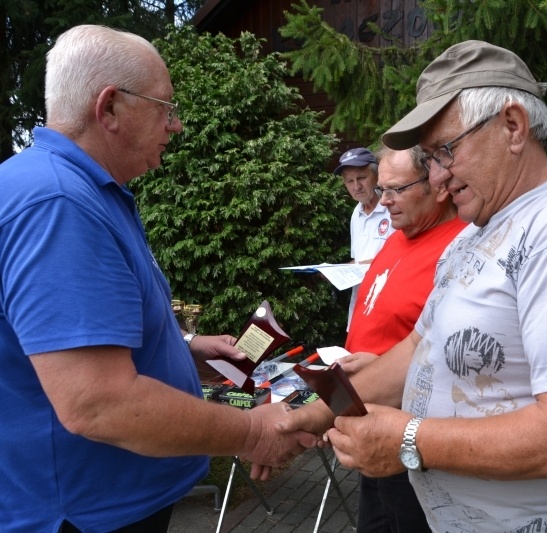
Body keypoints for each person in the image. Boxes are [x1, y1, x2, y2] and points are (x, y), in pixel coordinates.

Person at [282, 40, 547, 532]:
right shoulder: (473, 238)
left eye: (444, 151)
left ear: (512, 127)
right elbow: (418, 348)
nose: (436, 178)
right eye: (430, 158)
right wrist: (305, 417)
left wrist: (409, 441)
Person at [0, 25, 316, 533]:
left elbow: (67, 343)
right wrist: (252, 431)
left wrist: (184, 350)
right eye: (164, 108)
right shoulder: (57, 205)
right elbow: (99, 404)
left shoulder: (82, 191)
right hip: (83, 514)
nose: (177, 125)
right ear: (109, 109)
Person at [340, 144, 468, 532]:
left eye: (396, 190)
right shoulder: (401, 232)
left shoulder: (460, 245)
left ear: (437, 186)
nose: (385, 202)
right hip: (370, 417)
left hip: (411, 433)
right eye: (382, 190)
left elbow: (452, 354)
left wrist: (381, 369)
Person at [334, 147, 395, 329]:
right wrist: (336, 272)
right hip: (360, 308)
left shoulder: (393, 208)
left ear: (377, 176)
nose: (356, 186)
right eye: (349, 181)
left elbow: (404, 258)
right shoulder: (356, 213)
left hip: (388, 307)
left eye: (361, 178)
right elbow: (359, 260)